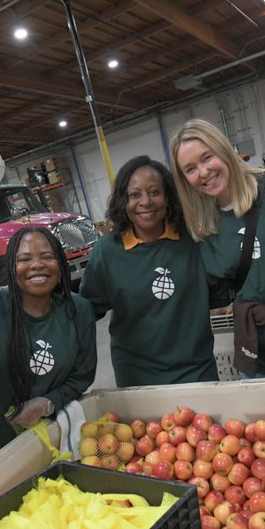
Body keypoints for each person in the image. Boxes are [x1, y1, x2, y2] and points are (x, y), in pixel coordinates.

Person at [0, 227, 96, 480]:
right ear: (11, 267)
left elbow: (82, 376)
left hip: (51, 449)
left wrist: (48, 402)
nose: (37, 265)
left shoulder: (77, 310)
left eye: (47, 256)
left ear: (60, 263)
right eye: (24, 259)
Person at [171, 118, 265, 378]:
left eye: (207, 157)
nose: (203, 172)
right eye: (190, 169)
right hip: (256, 354)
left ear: (223, 150)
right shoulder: (203, 228)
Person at [80, 156, 219, 387]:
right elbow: (86, 310)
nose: (145, 202)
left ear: (168, 197)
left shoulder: (193, 238)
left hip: (196, 370)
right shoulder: (107, 251)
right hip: (137, 377)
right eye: (135, 195)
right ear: (123, 201)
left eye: (154, 192)